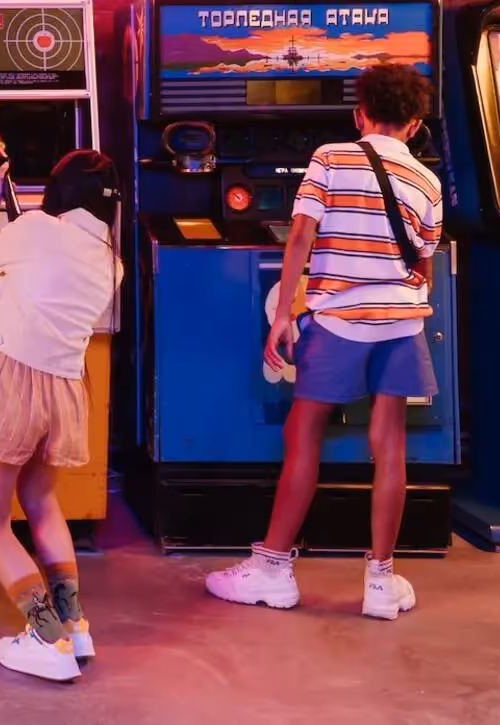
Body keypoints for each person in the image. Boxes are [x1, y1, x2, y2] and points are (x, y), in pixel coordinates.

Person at [206, 62, 442, 620]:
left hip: (340, 319)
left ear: (360, 114)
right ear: (413, 124)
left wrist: (286, 313)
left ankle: (272, 568)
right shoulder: (428, 181)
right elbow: (425, 265)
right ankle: (381, 582)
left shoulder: (330, 158)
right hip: (403, 320)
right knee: (389, 445)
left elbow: (299, 242)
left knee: (302, 430)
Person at [0, 149, 123, 683]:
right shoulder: (110, 259)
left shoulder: (40, 230)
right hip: (65, 388)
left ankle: (45, 637)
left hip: (13, 379)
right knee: (42, 502)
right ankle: (74, 625)